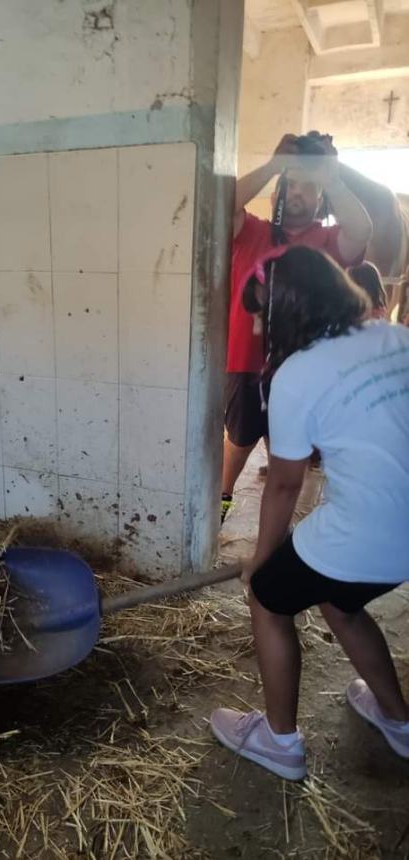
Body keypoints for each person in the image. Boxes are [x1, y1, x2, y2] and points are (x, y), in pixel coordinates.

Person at [211, 246, 409, 781]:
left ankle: (280, 742)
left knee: (270, 596)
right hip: (401, 533)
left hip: (368, 533)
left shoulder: (297, 373)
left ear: (285, 313)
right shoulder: (395, 337)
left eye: (259, 311)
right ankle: (399, 721)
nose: (254, 323)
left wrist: (261, 557)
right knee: (341, 602)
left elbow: (282, 484)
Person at [222, 133, 372, 523]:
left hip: (303, 368)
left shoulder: (326, 240)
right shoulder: (250, 231)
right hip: (245, 362)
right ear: (274, 194)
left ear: (320, 199)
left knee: (288, 452)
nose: (298, 193)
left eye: (308, 187)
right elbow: (220, 203)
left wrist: (332, 178)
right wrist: (274, 165)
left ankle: (276, 528)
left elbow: (361, 230)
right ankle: (221, 501)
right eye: (291, 184)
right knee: (238, 441)